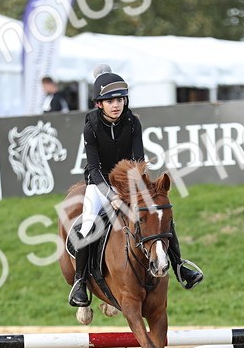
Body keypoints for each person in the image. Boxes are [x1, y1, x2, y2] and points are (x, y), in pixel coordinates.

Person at [68, 69, 204, 307]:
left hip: (130, 183)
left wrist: (139, 192)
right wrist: (112, 197)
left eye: (120, 99)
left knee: (159, 216)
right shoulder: (91, 126)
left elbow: (138, 162)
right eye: (110, 101)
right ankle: (80, 282)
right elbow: (95, 167)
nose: (116, 105)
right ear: (100, 104)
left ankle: (180, 266)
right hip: (99, 184)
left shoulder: (133, 122)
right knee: (89, 222)